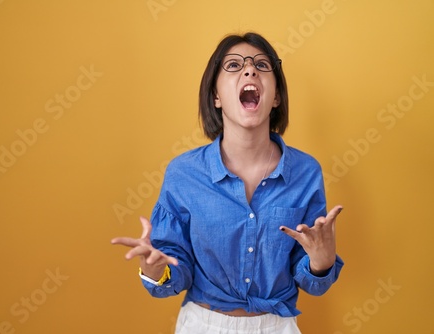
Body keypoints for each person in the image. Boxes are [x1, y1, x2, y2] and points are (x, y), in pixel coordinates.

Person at [111, 32, 344, 334]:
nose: (250, 70)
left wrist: (321, 263)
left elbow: (311, 279)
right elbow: (175, 270)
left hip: (277, 326)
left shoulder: (306, 172)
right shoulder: (183, 173)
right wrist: (156, 270)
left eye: (262, 65)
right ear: (216, 97)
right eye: (234, 65)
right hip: (202, 325)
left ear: (275, 97)